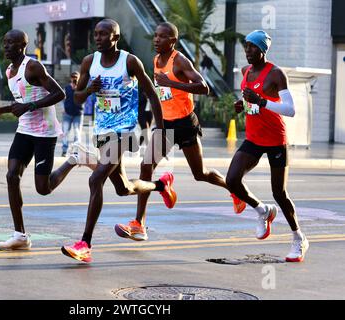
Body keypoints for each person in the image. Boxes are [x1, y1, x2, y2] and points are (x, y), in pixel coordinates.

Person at [114, 22, 246, 242]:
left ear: (172, 41)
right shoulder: (156, 60)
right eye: (155, 36)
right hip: (165, 124)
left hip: (185, 124)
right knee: (146, 166)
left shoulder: (180, 60)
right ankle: (139, 224)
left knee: (200, 173)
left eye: (162, 37)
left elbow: (203, 87)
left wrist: (173, 84)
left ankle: (234, 189)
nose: (156, 40)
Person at [61, 19, 175, 263]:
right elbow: (78, 99)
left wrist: (160, 130)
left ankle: (85, 244)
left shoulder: (129, 61)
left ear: (116, 38)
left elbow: (152, 95)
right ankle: (161, 186)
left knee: (96, 179)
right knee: (123, 188)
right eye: (96, 34)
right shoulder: (89, 62)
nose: (98, 38)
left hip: (124, 130)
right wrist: (89, 89)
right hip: (102, 130)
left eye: (104, 34)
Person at [0, 29, 97, 251]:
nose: (6, 46)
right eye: (4, 42)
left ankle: (74, 158)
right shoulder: (10, 71)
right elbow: (22, 100)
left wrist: (30, 106)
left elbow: (60, 94)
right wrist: (3, 110)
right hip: (25, 130)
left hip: (45, 133)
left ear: (22, 45)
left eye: (11, 43)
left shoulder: (33, 66)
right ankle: (20, 235)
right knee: (11, 175)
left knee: (43, 189)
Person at [226, 30, 308, 262]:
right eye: (246, 46)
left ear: (263, 50)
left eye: (252, 47)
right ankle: (263, 210)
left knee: (279, 193)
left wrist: (260, 101)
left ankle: (298, 238)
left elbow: (290, 110)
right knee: (232, 180)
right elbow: (248, 99)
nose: (248, 51)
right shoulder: (245, 72)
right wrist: (242, 104)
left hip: (275, 140)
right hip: (253, 138)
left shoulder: (276, 74)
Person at [61, 71, 84, 156]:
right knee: (65, 132)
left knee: (77, 132)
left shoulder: (81, 88)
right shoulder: (66, 88)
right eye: (73, 77)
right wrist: (63, 108)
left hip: (78, 113)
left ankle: (76, 151)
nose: (74, 78)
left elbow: (84, 99)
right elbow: (62, 99)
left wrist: (77, 89)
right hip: (67, 113)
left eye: (76, 77)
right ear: (71, 78)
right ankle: (64, 150)